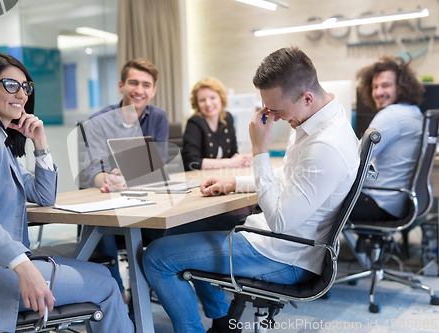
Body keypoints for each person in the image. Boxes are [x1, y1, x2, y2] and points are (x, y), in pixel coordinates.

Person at [143, 46, 360, 333]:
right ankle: (222, 322)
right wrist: (235, 183)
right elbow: (292, 176)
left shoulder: (325, 145)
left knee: (156, 256)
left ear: (307, 98)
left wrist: (260, 149)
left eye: (278, 111)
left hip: (286, 255)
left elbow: (281, 220)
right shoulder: (319, 121)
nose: (275, 118)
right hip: (280, 240)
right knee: (177, 232)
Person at [0, 53, 133, 333]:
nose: (21, 93)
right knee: (106, 284)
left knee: (104, 275)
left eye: (25, 86)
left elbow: (44, 196)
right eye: (9, 84)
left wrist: (40, 142)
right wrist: (24, 267)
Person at [83, 58, 168, 304]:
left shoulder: (158, 117)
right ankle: (116, 294)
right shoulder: (99, 119)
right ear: (121, 85)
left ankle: (147, 286)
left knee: (171, 225)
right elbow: (92, 171)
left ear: (153, 90)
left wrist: (131, 173)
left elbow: (159, 163)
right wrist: (107, 178)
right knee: (102, 228)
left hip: (145, 199)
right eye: (133, 82)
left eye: (146, 84)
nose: (139, 90)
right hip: (109, 200)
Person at [350, 55, 425, 222]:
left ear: (401, 87)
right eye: (375, 87)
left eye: (386, 86)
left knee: (320, 203)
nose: (378, 92)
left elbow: (355, 158)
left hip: (379, 203)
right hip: (398, 203)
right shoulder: (414, 112)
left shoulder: (390, 116)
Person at [182, 77, 251, 171]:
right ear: (197, 104)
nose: (208, 103)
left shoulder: (228, 119)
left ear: (221, 98)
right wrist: (231, 163)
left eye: (212, 97)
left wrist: (241, 159)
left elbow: (233, 153)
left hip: (222, 176)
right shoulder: (194, 122)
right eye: (202, 100)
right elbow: (192, 162)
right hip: (197, 179)